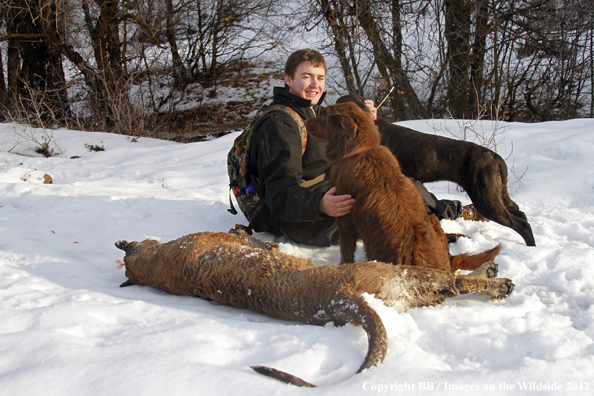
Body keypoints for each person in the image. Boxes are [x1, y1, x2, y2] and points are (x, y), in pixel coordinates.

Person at [247, 49, 461, 247]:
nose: (315, 85)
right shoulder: (279, 124)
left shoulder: (312, 110)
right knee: (381, 204)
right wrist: (320, 205)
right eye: (306, 77)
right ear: (288, 80)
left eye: (320, 78)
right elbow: (278, 193)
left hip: (324, 191)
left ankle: (444, 211)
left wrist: (366, 120)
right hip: (301, 219)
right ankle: (424, 239)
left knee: (394, 181)